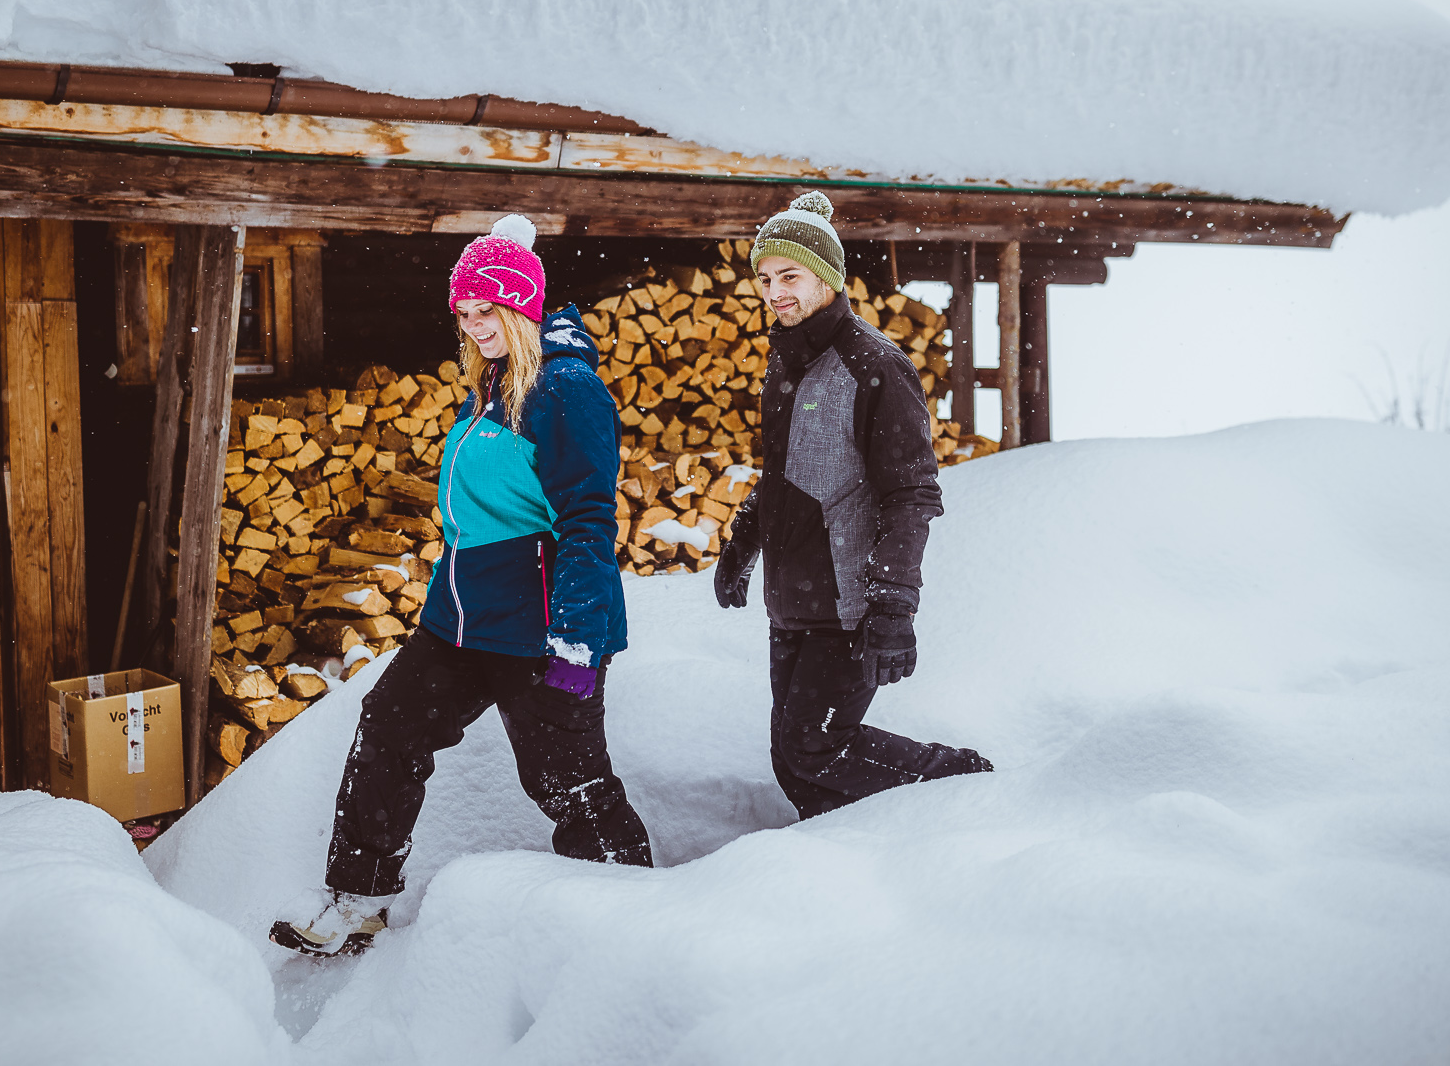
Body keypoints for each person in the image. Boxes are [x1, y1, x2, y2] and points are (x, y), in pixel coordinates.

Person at [272, 214, 652, 957]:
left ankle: (633, 920)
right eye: (466, 312)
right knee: (390, 725)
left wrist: (577, 639)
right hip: (464, 621)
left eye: (489, 310)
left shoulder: (565, 389)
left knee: (566, 781)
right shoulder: (493, 382)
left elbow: (588, 520)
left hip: (542, 626)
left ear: (522, 306)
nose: (476, 325)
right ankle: (358, 898)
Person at [714, 192, 992, 820]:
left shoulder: (875, 365)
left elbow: (911, 495)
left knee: (815, 746)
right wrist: (742, 545)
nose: (774, 292)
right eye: (765, 278)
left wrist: (893, 605)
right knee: (794, 759)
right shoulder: (786, 361)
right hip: (792, 599)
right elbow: (783, 474)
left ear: (826, 276)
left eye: (789, 276)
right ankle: (851, 853)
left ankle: (964, 785)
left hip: (847, 602)